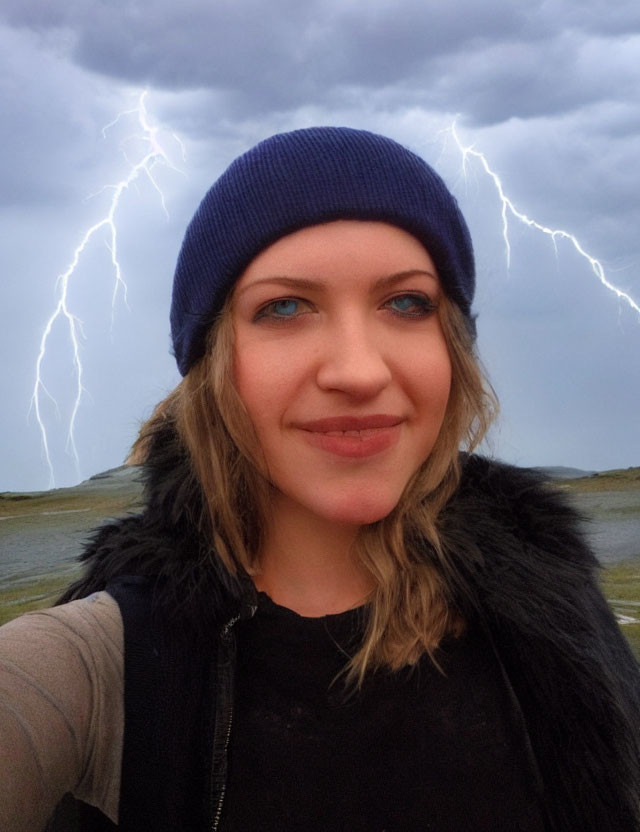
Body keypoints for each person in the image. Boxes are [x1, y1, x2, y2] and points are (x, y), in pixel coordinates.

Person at [1, 127, 639, 832]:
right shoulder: (105, 663)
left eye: (406, 303)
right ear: (215, 370)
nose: (359, 371)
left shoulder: (552, 606)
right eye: (284, 307)